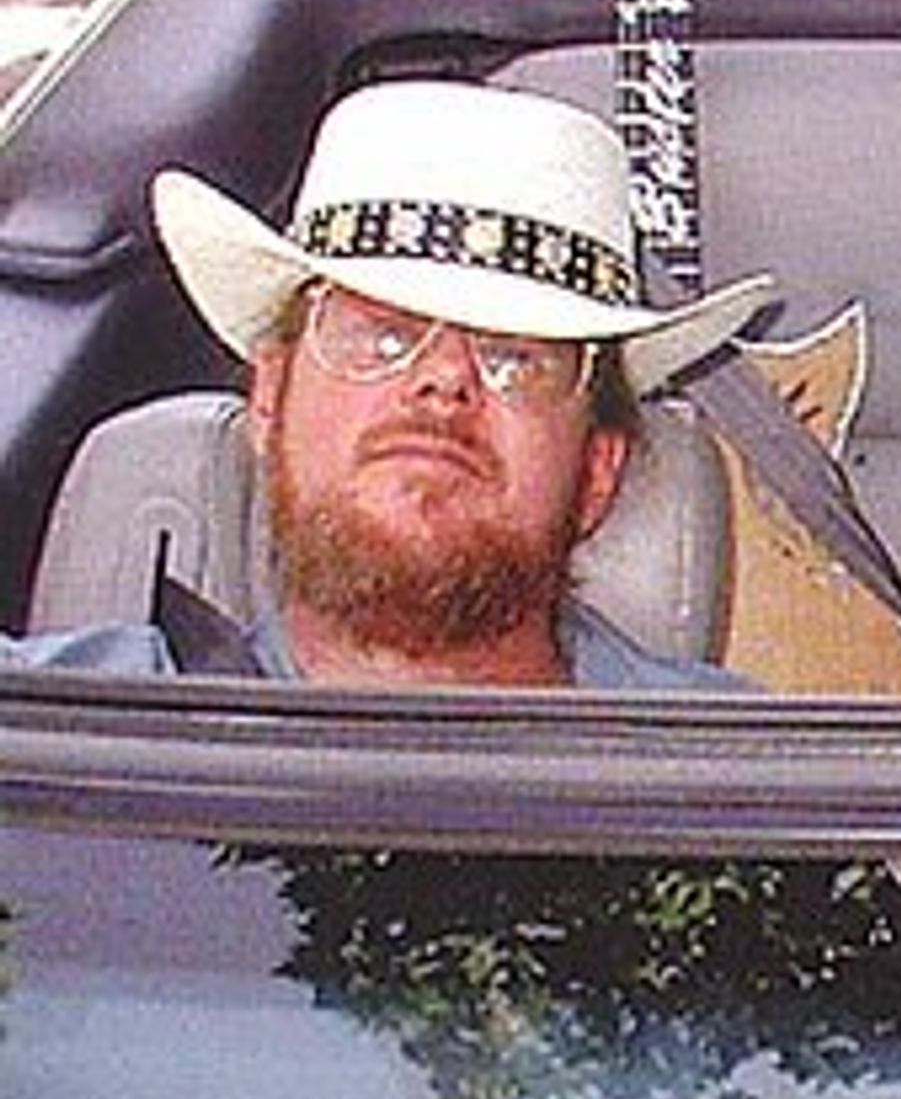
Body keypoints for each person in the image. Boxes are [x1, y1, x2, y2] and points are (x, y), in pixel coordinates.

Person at [2, 77, 776, 687]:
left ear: (598, 472)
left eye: (513, 358)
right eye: (382, 335)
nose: (442, 378)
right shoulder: (57, 734)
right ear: (268, 401)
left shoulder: (749, 793)